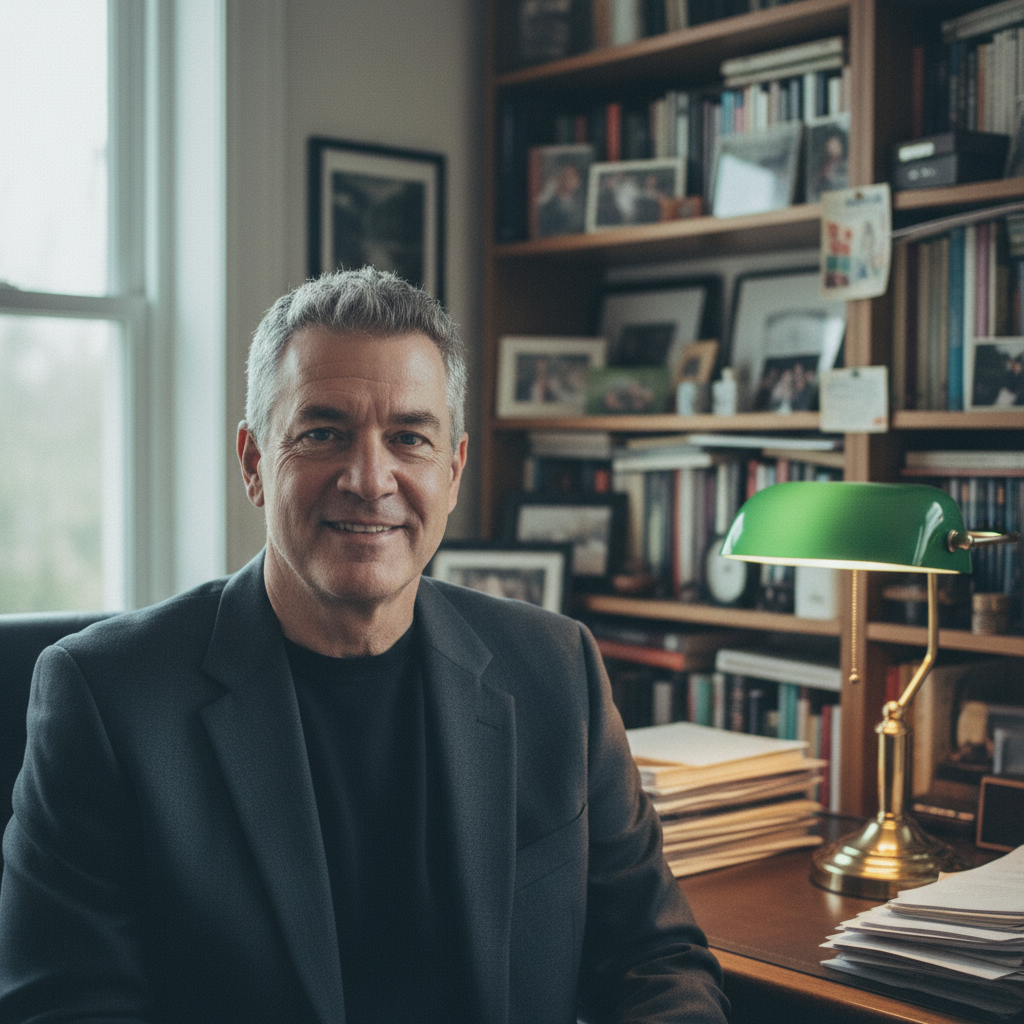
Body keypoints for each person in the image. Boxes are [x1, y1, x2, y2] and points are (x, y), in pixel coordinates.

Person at [0, 267, 730, 1024]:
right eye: (323, 433)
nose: (368, 478)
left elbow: (656, 961)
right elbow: (63, 1004)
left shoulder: (555, 669)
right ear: (254, 464)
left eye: (408, 438)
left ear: (452, 472)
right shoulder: (108, 697)